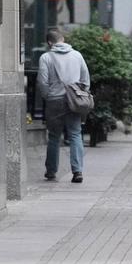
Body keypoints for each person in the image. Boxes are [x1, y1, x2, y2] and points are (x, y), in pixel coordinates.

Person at [36, 28, 91, 183]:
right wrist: (80, 94)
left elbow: (42, 81)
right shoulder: (77, 55)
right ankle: (77, 171)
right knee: (75, 134)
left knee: (54, 136)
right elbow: (86, 80)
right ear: (63, 39)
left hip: (54, 100)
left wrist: (48, 96)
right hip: (74, 100)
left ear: (49, 42)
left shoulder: (46, 57)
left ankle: (51, 171)